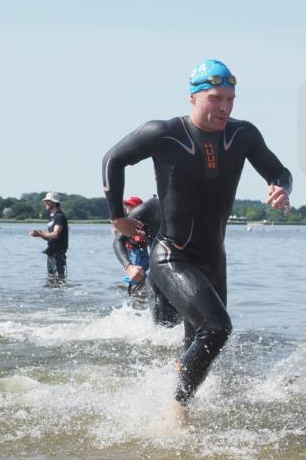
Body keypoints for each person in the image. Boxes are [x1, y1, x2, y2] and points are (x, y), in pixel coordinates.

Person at [102, 59, 291, 423]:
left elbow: (278, 170)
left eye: (230, 99)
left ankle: (180, 415)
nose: (224, 107)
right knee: (217, 328)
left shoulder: (242, 136)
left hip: (214, 259)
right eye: (215, 98)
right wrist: (117, 217)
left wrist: (282, 187)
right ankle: (173, 411)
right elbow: (114, 159)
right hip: (173, 256)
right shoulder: (164, 133)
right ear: (193, 98)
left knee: (201, 343)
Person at [113, 195, 180, 327]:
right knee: (163, 328)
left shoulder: (197, 204)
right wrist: (129, 266)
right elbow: (118, 241)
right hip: (159, 275)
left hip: (190, 276)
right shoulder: (147, 208)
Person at [30, 192, 68, 279]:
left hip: (58, 253)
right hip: (51, 252)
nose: (45, 203)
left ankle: (60, 292)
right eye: (45, 201)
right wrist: (40, 235)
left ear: (54, 202)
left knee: (58, 278)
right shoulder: (52, 217)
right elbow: (51, 238)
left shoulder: (59, 216)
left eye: (48, 201)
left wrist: (40, 234)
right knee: (51, 280)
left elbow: (55, 234)